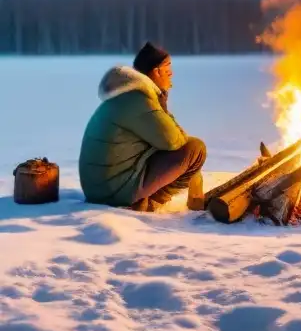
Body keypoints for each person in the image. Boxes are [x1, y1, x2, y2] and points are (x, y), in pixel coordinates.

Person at [79, 42, 207, 211]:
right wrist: (163, 106)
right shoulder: (139, 100)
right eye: (168, 69)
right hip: (112, 191)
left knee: (164, 146)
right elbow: (174, 141)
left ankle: (139, 197)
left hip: (97, 187)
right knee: (195, 149)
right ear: (157, 71)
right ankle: (149, 203)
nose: (172, 74)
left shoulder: (126, 94)